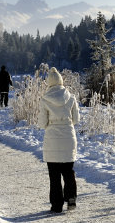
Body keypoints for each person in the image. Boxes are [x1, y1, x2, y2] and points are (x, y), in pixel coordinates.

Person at [38, 67, 80, 213]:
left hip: (52, 140)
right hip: (69, 138)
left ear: (49, 83)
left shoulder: (45, 99)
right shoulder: (71, 98)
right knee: (69, 172)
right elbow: (76, 120)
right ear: (61, 81)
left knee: (54, 176)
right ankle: (71, 199)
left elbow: (42, 123)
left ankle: (56, 205)